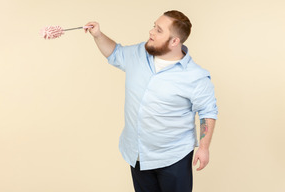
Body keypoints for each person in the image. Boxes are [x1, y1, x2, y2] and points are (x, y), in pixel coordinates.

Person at [84, 10, 218, 192]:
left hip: (173, 157)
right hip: (137, 154)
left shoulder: (196, 77)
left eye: (159, 30)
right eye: (154, 26)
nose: (151, 32)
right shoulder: (139, 53)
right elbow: (116, 54)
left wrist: (203, 148)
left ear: (175, 41)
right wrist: (98, 35)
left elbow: (207, 112)